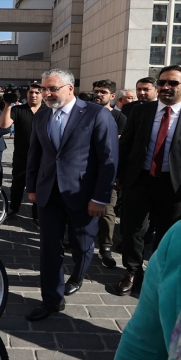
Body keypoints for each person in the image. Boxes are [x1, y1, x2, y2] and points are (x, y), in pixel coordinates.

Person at [25, 69, 118, 322]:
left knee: (82, 244)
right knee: (49, 248)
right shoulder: (42, 115)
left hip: (83, 195)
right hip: (48, 194)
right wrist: (31, 187)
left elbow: (108, 159)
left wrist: (100, 198)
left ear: (69, 88)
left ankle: (78, 275)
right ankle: (52, 300)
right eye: (44, 89)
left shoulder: (96, 114)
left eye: (52, 88)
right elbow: (35, 154)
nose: (46, 94)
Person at [116, 65, 181, 296]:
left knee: (166, 234)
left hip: (174, 186)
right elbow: (125, 145)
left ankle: (159, 274)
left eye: (173, 83)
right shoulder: (141, 111)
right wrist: (118, 177)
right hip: (139, 180)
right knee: (133, 229)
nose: (166, 87)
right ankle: (133, 271)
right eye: (163, 82)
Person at [114, 220, 181, 360]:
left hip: (171, 201)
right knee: (135, 225)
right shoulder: (177, 237)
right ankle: (133, 271)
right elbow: (142, 344)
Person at [92, 79, 128, 269]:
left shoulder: (119, 118)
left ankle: (105, 247)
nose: (98, 95)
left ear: (112, 96)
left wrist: (117, 175)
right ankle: (83, 242)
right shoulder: (84, 114)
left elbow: (116, 147)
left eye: (103, 92)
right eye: (96, 91)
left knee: (107, 211)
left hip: (109, 172)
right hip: (86, 172)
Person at [0, 83, 46, 229]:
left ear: (42, 94)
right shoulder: (17, 109)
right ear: (26, 94)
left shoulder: (49, 110)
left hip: (43, 156)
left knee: (39, 185)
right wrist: (8, 104)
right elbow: (4, 125)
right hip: (21, 154)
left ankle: (37, 216)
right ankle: (14, 208)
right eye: (31, 93)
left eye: (37, 93)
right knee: (17, 183)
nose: (33, 95)